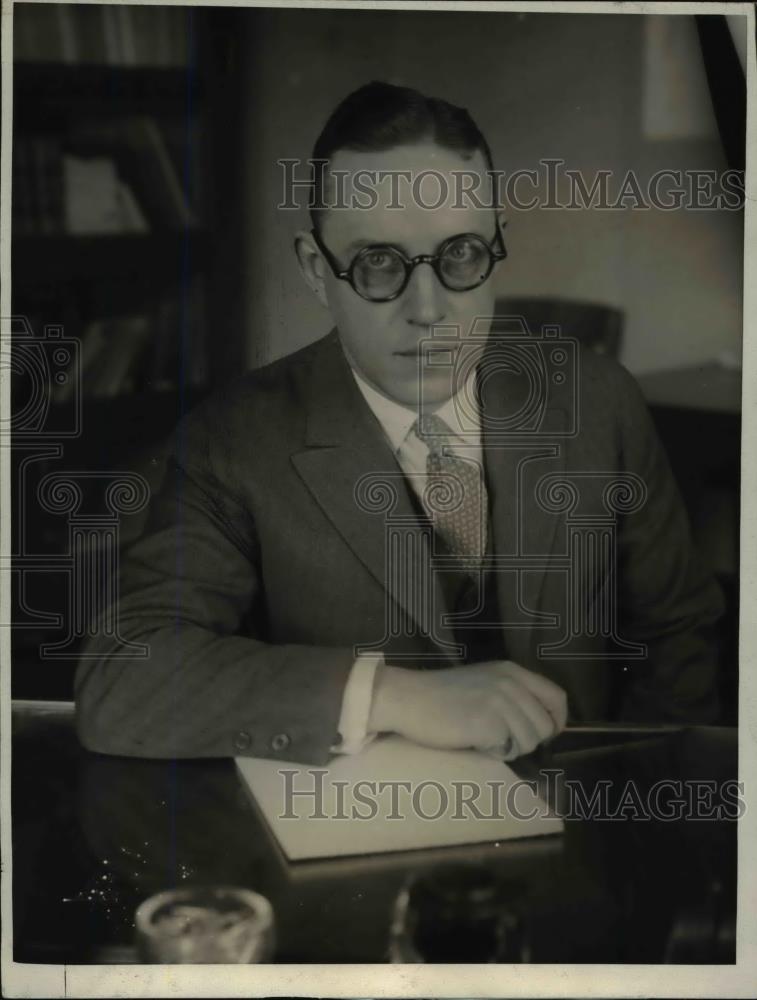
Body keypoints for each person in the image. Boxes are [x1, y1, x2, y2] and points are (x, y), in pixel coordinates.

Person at [75, 82, 723, 765]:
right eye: (378, 263)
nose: (429, 308)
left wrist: (634, 815)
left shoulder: (598, 399)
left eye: (460, 255)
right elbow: (123, 680)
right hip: (356, 845)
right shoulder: (231, 441)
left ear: (495, 247)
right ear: (314, 270)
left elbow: (679, 635)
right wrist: (391, 695)